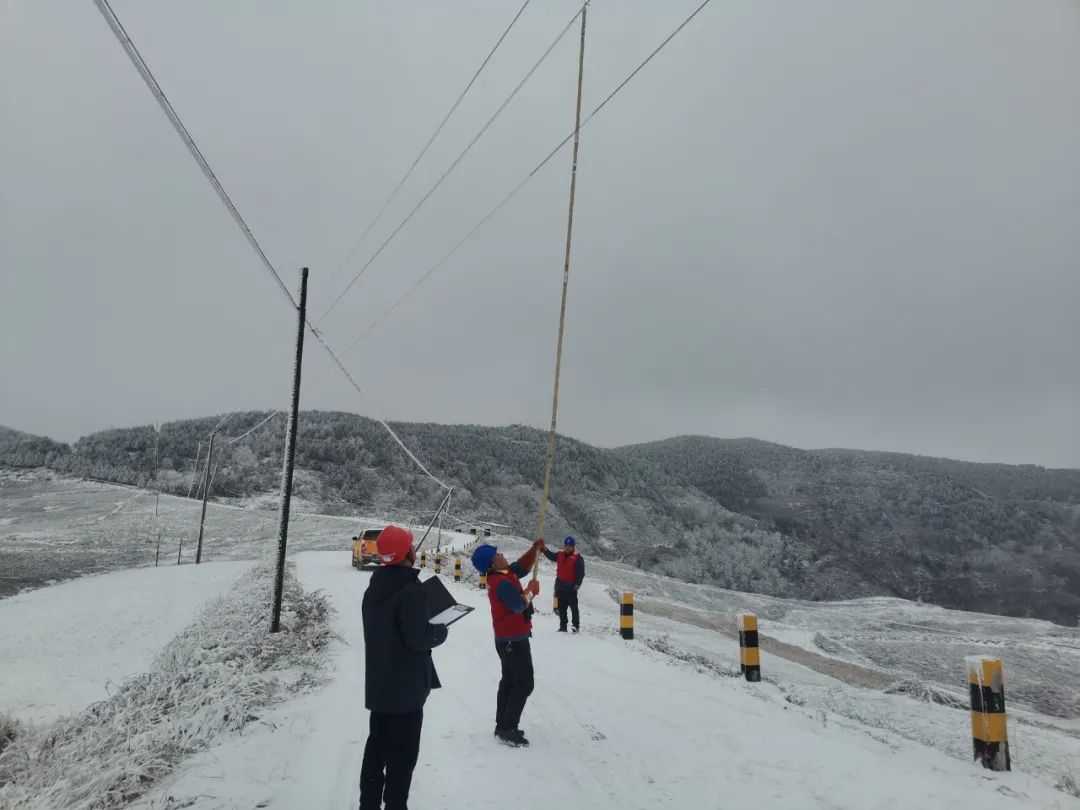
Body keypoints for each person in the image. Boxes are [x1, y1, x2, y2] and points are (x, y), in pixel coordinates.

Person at [360, 525, 448, 810]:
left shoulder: (374, 589)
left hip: (381, 687)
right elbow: (418, 638)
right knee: (402, 758)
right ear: (407, 552)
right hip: (406, 693)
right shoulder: (410, 591)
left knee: (376, 751)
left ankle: (368, 804)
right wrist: (440, 630)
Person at [470, 538, 545, 747]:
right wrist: (531, 591)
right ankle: (508, 727)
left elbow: (520, 567)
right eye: (498, 555)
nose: (502, 555)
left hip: (509, 638)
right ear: (492, 564)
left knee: (510, 681)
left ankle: (502, 724)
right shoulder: (500, 582)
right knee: (524, 683)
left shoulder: (503, 573)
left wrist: (534, 550)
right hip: (512, 641)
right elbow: (518, 605)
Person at [542, 536, 585, 633]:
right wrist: (544, 550)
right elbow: (551, 556)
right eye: (566, 545)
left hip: (571, 587)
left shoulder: (578, 558)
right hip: (560, 586)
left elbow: (581, 573)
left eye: (570, 546)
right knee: (562, 608)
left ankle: (575, 626)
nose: (567, 547)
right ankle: (563, 626)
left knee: (574, 608)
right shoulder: (560, 554)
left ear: (573, 546)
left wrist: (578, 584)